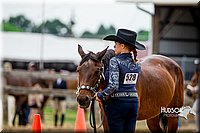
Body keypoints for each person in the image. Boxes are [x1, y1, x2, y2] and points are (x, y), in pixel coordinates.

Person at [95, 29, 146, 133]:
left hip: (117, 104)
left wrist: (100, 95)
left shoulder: (115, 61)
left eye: (116, 44)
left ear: (122, 46)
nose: (114, 46)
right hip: (133, 104)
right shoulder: (137, 64)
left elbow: (114, 85)